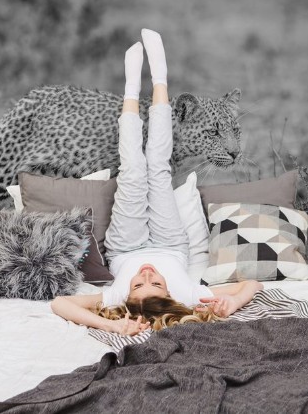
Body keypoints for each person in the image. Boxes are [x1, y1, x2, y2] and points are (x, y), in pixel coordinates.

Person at [51, 29, 263, 336]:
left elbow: (61, 303)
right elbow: (252, 285)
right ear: (170, 294)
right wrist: (233, 302)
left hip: (124, 248)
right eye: (157, 283)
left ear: (126, 296)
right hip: (172, 245)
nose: (147, 275)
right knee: (159, 169)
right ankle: (160, 76)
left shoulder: (116, 297)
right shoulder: (190, 296)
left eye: (138, 283)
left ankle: (132, 88)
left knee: (134, 169)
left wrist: (109, 324)